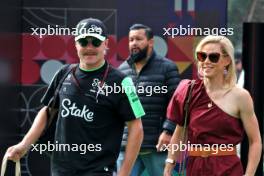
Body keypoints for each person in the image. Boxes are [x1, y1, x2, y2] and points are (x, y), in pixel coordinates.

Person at [4, 18, 145, 176]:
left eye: (96, 42)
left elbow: (137, 127)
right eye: (84, 42)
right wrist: (24, 145)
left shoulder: (122, 81)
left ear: (106, 44)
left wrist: (124, 173)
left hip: (98, 171)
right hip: (61, 170)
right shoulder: (64, 73)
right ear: (76, 44)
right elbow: (48, 111)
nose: (89, 48)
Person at [164, 35, 262, 176]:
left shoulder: (240, 96)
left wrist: (249, 175)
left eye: (213, 57)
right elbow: (179, 132)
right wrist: (168, 165)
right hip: (195, 168)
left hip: (227, 169)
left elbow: (255, 141)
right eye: (202, 56)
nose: (206, 61)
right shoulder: (189, 91)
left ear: (227, 60)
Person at [117, 24, 181, 176]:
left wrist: (168, 131)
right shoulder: (121, 70)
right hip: (127, 146)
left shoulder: (167, 68)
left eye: (139, 39)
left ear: (151, 42)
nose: (134, 43)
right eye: (131, 39)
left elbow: (177, 104)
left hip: (156, 145)